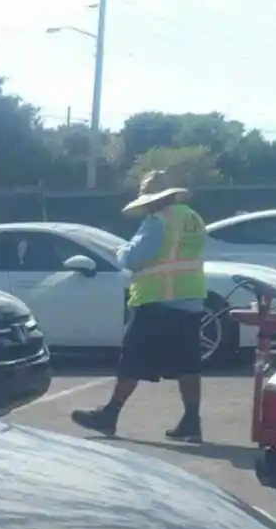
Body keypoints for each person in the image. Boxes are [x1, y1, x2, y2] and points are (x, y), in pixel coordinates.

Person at [71, 170, 210, 444]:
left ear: (155, 199)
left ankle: (109, 414)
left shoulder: (158, 221)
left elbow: (134, 259)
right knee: (188, 364)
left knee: (132, 360)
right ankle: (192, 421)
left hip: (156, 300)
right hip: (190, 299)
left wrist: (120, 251)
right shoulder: (193, 218)